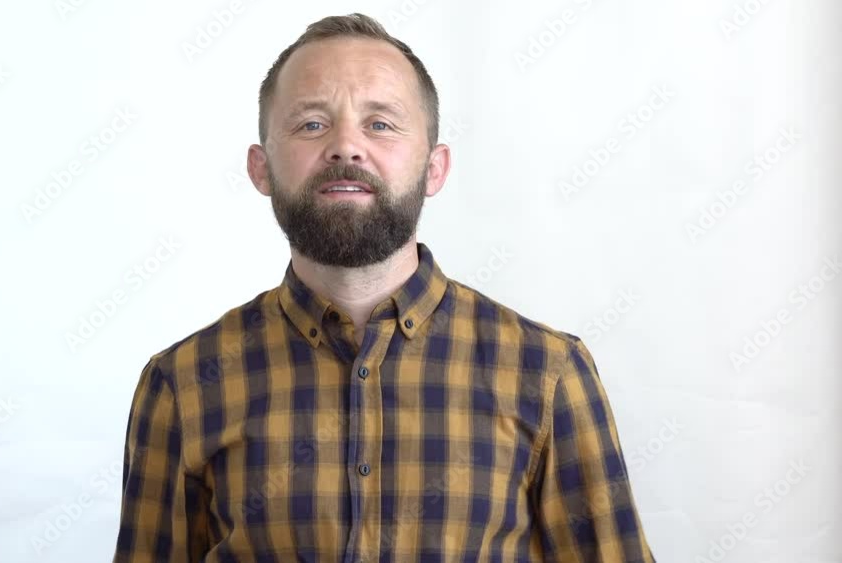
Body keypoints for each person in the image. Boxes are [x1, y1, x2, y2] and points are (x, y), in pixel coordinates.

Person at [113, 12, 655, 562]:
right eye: (311, 124)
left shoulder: (548, 373)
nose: (346, 147)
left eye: (380, 124)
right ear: (261, 168)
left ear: (434, 169)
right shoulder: (182, 384)